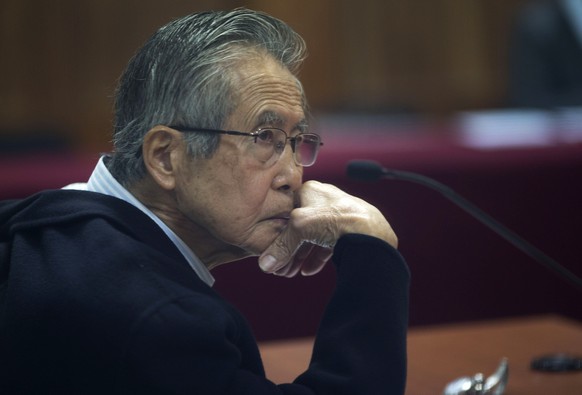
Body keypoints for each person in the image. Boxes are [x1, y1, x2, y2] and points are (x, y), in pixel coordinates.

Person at [0, 8, 409, 394]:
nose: (292, 176)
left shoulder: (44, 224)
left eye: (295, 142)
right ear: (165, 157)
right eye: (265, 138)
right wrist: (372, 251)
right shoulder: (157, 321)